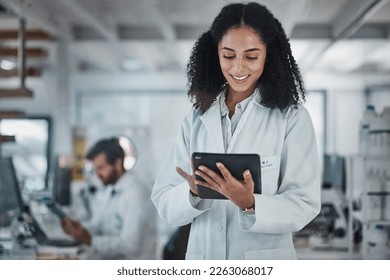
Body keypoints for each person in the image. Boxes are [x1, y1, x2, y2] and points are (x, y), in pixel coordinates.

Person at [151, 2, 321, 260]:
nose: (238, 68)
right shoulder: (196, 119)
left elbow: (305, 203)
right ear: (215, 53)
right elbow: (164, 201)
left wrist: (251, 204)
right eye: (228, 55)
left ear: (268, 55)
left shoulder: (291, 118)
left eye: (251, 56)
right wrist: (193, 194)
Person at [61, 137, 156, 259]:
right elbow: (99, 225)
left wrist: (90, 240)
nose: (97, 174)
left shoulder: (136, 193)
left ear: (117, 164)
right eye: (95, 169)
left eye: (101, 168)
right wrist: (79, 230)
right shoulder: (110, 188)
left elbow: (130, 246)